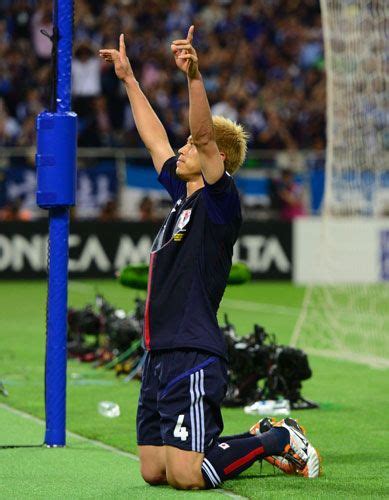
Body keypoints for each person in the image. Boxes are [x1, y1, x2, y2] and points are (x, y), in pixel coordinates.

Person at [99, 26, 320, 490]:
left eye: (192, 147)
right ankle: (254, 436)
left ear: (211, 155)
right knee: (154, 471)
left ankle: (276, 437)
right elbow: (156, 139)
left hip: (193, 353)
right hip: (159, 353)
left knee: (187, 475)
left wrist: (193, 77)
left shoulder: (219, 203)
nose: (180, 149)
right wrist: (129, 80)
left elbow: (201, 134)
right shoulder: (182, 197)